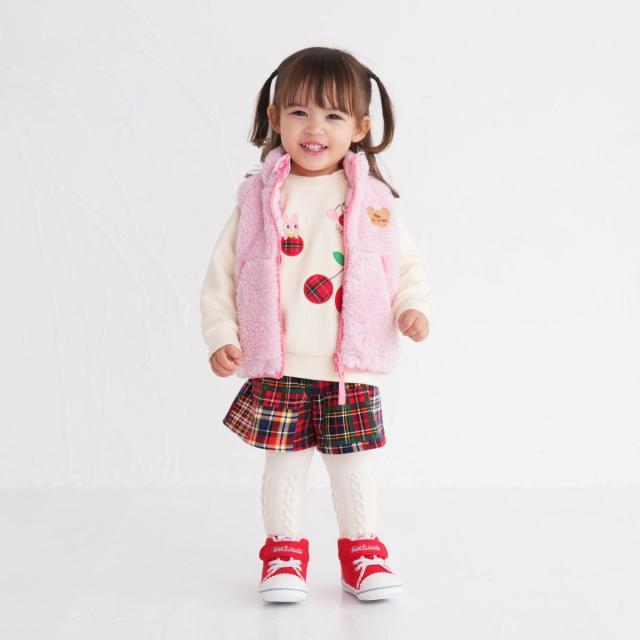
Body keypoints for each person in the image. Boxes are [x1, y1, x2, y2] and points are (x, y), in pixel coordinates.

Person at [200, 46, 433, 603]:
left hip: (349, 365)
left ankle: (363, 554)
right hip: (280, 361)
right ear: (275, 117)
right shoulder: (258, 200)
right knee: (285, 465)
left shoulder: (371, 201)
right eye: (299, 111)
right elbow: (223, 273)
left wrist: (412, 306)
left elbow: (404, 266)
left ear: (360, 127)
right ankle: (283, 553)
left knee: (353, 465)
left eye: (333, 115)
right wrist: (222, 334)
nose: (315, 128)